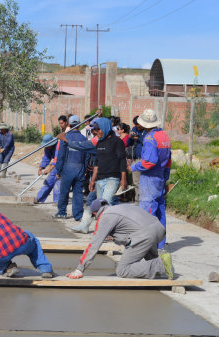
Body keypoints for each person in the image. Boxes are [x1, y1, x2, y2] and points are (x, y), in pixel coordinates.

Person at [66, 199, 174, 280]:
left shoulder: (105, 216)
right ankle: (161, 263)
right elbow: (130, 228)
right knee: (148, 257)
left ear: (95, 213)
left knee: (123, 270)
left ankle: (161, 265)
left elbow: (94, 244)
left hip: (144, 235)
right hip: (158, 229)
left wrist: (80, 268)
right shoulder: (121, 207)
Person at [130, 109, 171, 251]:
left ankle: (148, 247)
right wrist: (166, 176)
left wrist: (134, 166)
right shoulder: (164, 135)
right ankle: (160, 245)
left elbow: (149, 162)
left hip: (149, 178)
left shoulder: (149, 138)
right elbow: (168, 160)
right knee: (160, 213)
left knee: (147, 214)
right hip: (160, 177)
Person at [53, 115, 87, 220]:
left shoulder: (65, 137)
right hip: (80, 168)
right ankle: (78, 215)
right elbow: (86, 157)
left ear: (69, 124)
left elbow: (61, 155)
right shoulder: (84, 138)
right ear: (79, 125)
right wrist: (84, 169)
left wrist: (58, 169)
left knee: (64, 191)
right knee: (78, 193)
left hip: (68, 168)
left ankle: (62, 212)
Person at [34, 134, 60, 204]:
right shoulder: (48, 148)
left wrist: (49, 169)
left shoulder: (59, 145)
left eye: (48, 145)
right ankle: (39, 198)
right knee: (49, 181)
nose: (47, 147)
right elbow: (46, 158)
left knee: (58, 182)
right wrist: (41, 168)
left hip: (64, 164)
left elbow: (58, 158)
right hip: (56, 165)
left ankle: (57, 201)